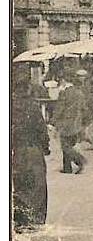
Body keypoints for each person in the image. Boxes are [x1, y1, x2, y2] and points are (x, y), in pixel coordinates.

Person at [13, 67, 49, 230]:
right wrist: (46, 147)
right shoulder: (32, 106)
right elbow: (41, 129)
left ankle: (21, 219)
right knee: (37, 185)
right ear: (27, 88)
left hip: (16, 151)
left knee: (20, 184)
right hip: (32, 150)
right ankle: (35, 220)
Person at [52, 69, 89, 175]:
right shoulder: (79, 92)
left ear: (64, 81)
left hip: (65, 124)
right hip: (76, 124)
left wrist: (52, 122)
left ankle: (79, 161)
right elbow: (84, 108)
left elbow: (59, 109)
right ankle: (67, 168)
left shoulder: (64, 93)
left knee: (65, 146)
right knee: (69, 145)